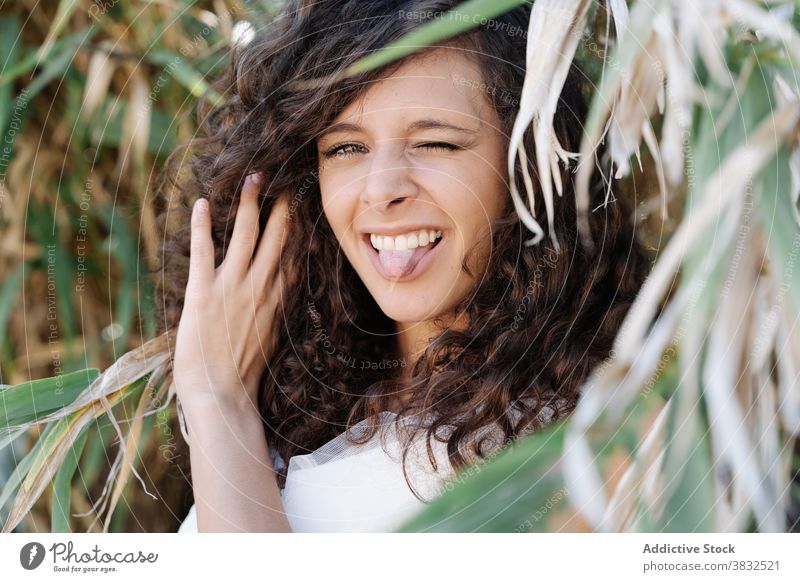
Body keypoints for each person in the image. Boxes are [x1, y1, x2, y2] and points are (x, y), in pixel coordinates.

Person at [152, 0, 651, 533]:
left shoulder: (594, 444)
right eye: (346, 147)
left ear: (529, 165)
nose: (381, 189)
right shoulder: (297, 412)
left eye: (436, 142)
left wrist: (217, 404)